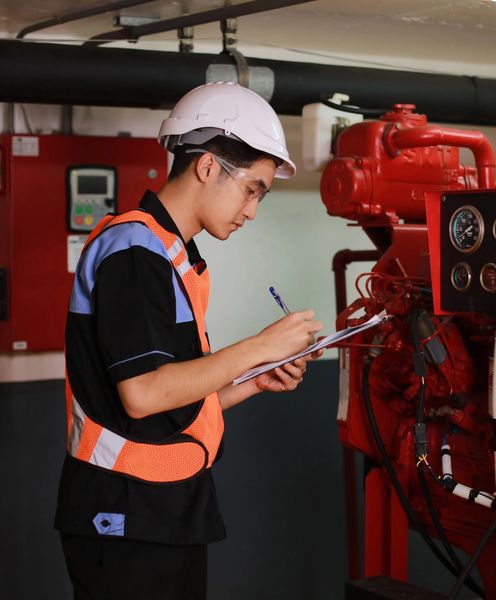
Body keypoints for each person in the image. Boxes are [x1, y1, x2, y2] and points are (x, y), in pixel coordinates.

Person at [55, 81, 323, 600]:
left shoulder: (172, 255)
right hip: (123, 513)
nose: (252, 210)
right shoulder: (134, 252)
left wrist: (252, 381)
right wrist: (259, 347)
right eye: (252, 190)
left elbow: (171, 400)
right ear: (206, 167)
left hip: (162, 508)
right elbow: (143, 393)